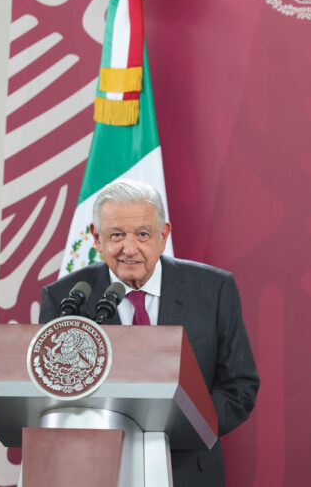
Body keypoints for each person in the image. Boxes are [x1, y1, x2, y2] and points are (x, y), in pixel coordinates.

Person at [40, 179, 259, 486]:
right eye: (117, 235)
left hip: (187, 470)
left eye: (143, 234)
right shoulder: (66, 297)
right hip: (94, 470)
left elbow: (240, 387)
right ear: (96, 238)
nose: (130, 249)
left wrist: (181, 427)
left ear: (163, 235)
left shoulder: (214, 289)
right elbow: (50, 392)